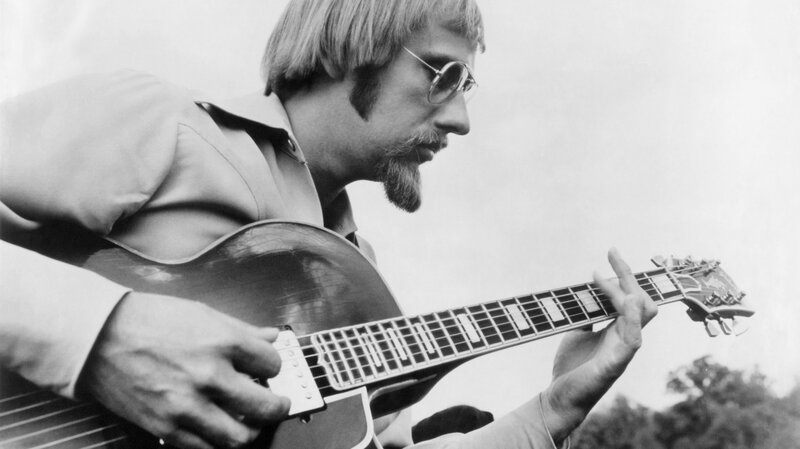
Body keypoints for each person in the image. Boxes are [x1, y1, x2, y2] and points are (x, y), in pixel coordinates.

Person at [0, 1, 658, 448]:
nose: (461, 120)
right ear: (351, 46)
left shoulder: (356, 280)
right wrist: (101, 338)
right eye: (445, 75)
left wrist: (551, 411)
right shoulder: (162, 127)